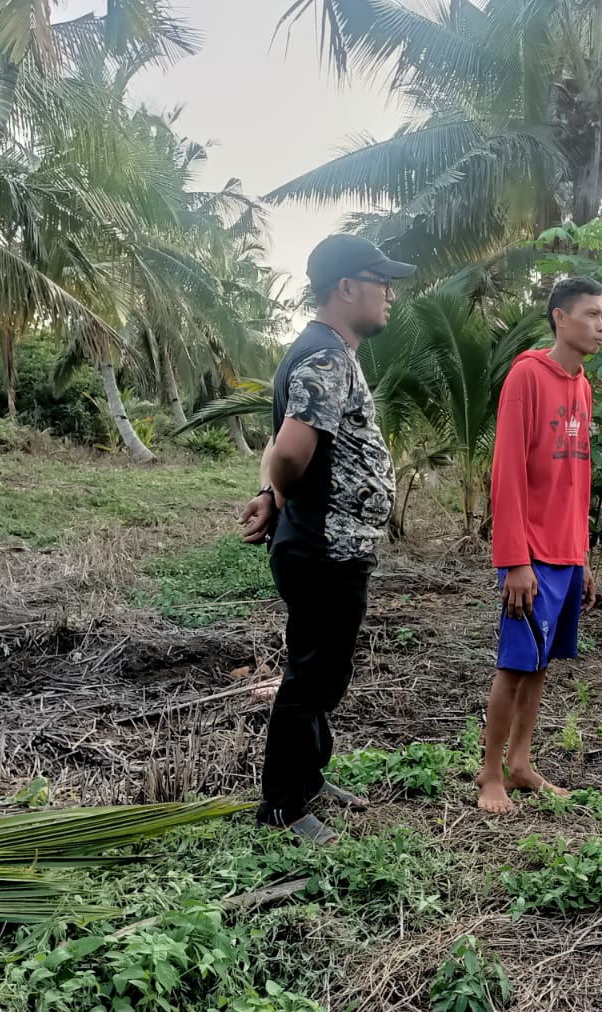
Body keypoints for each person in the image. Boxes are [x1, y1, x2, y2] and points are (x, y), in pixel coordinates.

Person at [238, 234, 413, 844]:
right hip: (324, 545)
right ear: (345, 288)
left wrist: (272, 495)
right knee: (313, 675)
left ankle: (308, 778)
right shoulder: (325, 355)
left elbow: (285, 443)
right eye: (379, 280)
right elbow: (289, 450)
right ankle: (283, 806)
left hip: (328, 542)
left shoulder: (327, 351)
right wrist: (282, 494)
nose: (390, 292)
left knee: (323, 671)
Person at [476, 277, 602, 815]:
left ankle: (522, 764)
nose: (601, 325)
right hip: (531, 557)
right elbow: (506, 473)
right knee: (513, 665)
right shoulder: (528, 377)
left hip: (566, 554)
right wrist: (515, 561)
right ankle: (489, 777)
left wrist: (583, 558)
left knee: (542, 662)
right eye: (592, 314)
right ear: (560, 317)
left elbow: (578, 483)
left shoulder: (582, 387)